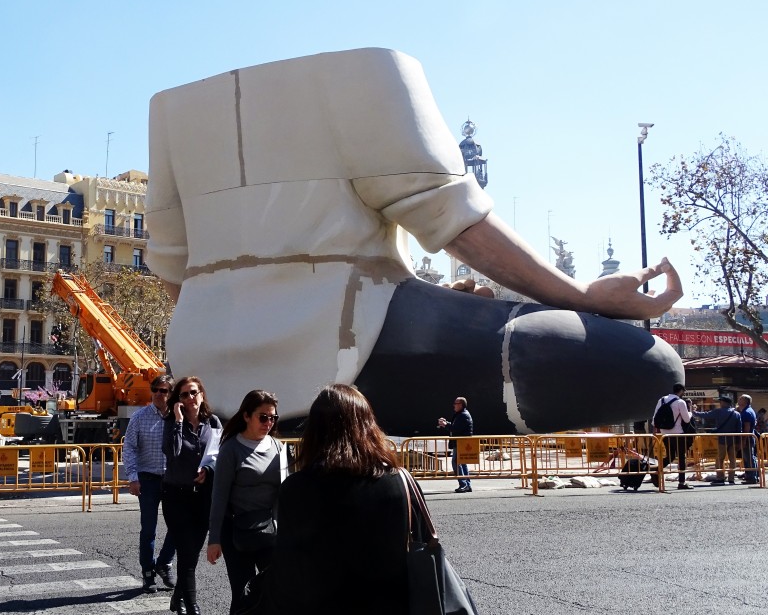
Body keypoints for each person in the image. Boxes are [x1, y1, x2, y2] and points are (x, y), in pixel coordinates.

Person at [145, 48, 685, 437]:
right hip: (363, 344)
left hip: (207, 358)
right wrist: (580, 296)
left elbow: (173, 267)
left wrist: (217, 345)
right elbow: (451, 218)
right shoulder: (366, 73)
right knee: (651, 364)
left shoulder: (168, 116)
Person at [267, 384, 412, 615]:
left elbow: (288, 568)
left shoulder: (296, 488)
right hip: (390, 614)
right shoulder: (399, 482)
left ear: (315, 430)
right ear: (369, 426)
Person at [207, 389, 286, 615]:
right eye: (263, 417)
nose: (268, 423)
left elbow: (284, 494)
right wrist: (214, 539)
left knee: (275, 591)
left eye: (273, 418)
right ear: (246, 416)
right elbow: (219, 496)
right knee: (242, 594)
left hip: (270, 531)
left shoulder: (279, 447)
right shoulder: (232, 448)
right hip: (237, 532)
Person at [162, 377, 221, 615]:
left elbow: (219, 455)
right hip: (176, 496)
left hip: (202, 497)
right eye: (183, 395)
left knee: (190, 557)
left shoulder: (213, 422)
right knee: (186, 556)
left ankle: (178, 598)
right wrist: (177, 421)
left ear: (202, 394)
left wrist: (208, 468)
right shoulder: (171, 422)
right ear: (178, 400)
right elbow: (172, 452)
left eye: (193, 393)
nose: (189, 399)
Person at [122, 373, 176, 593]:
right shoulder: (140, 417)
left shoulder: (177, 418)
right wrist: (133, 477)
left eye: (163, 391)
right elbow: (129, 448)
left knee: (177, 526)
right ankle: (147, 572)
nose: (158, 394)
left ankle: (164, 563)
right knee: (149, 529)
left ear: (171, 394)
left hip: (173, 481)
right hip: (148, 479)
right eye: (155, 390)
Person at [692, 396, 742, 486]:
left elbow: (705, 415)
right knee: (732, 460)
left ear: (725, 402)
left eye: (721, 401)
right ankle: (731, 478)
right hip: (733, 440)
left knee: (719, 459)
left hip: (722, 439)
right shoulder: (737, 414)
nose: (720, 403)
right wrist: (739, 442)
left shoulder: (719, 411)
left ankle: (720, 478)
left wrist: (693, 412)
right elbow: (739, 429)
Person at [651, 384, 693, 490]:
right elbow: (687, 419)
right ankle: (682, 482)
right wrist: (691, 411)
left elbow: (655, 418)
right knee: (681, 457)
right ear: (681, 391)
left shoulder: (661, 400)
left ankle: (656, 469)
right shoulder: (680, 402)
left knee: (670, 456)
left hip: (665, 433)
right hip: (678, 433)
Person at [438, 396, 474, 492]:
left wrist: (446, 424)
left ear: (461, 405)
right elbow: (456, 426)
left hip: (461, 443)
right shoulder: (461, 414)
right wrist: (446, 423)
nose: (454, 405)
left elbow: (455, 429)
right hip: (461, 443)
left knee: (456, 462)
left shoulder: (463, 415)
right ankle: (467, 484)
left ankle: (463, 484)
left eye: (456, 403)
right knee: (462, 463)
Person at [737, 394, 758, 484]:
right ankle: (751, 475)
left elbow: (747, 427)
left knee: (749, 457)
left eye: (741, 399)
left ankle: (752, 477)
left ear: (745, 401)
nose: (738, 400)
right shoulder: (747, 410)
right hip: (750, 437)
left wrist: (744, 440)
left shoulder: (746, 412)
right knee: (749, 457)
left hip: (748, 438)